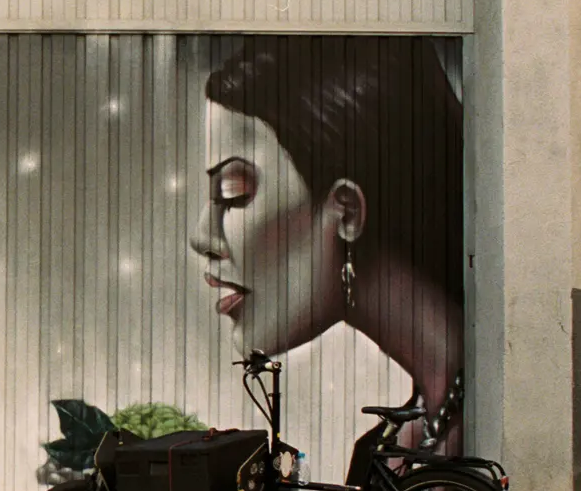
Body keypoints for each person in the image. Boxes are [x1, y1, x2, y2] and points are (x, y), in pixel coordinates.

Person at [188, 35, 464, 438]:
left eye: (233, 191)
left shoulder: (473, 425)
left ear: (347, 212)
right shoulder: (401, 443)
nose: (201, 237)